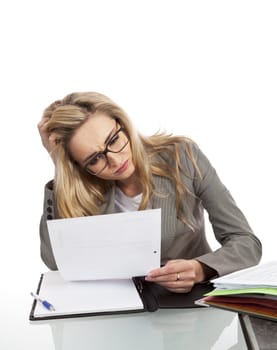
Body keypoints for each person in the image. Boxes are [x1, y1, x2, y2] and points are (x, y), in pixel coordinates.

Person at [38, 91, 262, 293]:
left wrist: (200, 269)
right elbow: (56, 262)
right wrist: (60, 167)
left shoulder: (182, 156)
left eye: (114, 140)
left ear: (123, 124)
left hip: (190, 302)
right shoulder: (83, 187)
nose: (115, 161)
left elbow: (245, 242)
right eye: (95, 159)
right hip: (119, 307)